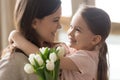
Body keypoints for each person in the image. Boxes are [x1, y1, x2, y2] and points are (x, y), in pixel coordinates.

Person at [7, 6, 111, 80]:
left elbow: (45, 59)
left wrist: (16, 37)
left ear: (95, 39)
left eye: (78, 30)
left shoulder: (87, 59)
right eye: (71, 26)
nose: (70, 32)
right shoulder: (78, 51)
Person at [0, 0, 62, 80]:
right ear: (34, 23)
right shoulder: (13, 61)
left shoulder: (54, 53)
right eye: (55, 20)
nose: (60, 26)